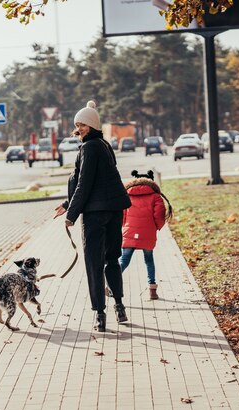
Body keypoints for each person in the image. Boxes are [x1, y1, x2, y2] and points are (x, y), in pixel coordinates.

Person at [54, 100, 131, 332]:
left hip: (96, 214)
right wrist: (68, 204)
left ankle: (99, 314)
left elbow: (84, 184)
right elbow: (94, 182)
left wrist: (72, 214)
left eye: (84, 125)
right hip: (114, 209)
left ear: (93, 125)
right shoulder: (104, 145)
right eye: (78, 125)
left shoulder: (88, 148)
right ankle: (119, 305)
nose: (80, 129)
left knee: (94, 264)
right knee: (112, 259)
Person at [119, 170, 173, 300]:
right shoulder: (155, 196)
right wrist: (156, 227)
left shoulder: (127, 195)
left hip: (129, 232)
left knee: (124, 260)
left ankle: (109, 283)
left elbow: (121, 215)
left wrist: (124, 226)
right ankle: (152, 291)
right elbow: (159, 215)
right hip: (148, 232)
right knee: (149, 260)